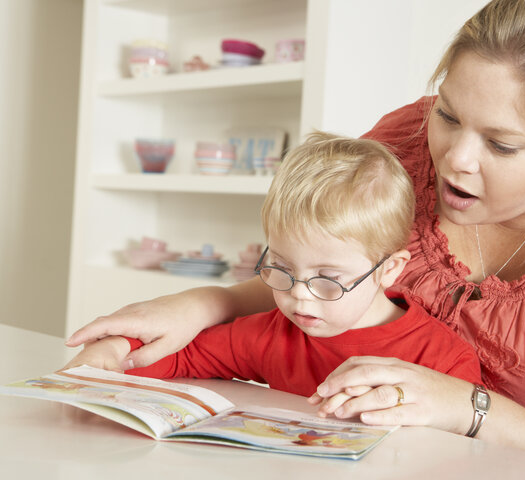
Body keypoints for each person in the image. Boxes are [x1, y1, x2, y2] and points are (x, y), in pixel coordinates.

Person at [65, 1, 525, 478]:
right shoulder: (404, 142)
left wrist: (466, 408)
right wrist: (205, 303)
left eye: (501, 143)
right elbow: (328, 268)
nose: (455, 157)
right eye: (449, 113)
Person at [64, 132, 483, 398]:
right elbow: (183, 355)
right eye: (282, 268)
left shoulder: (443, 360)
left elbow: (466, 448)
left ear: (389, 270)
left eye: (327, 279)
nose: (298, 293)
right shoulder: (273, 333)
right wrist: (114, 352)